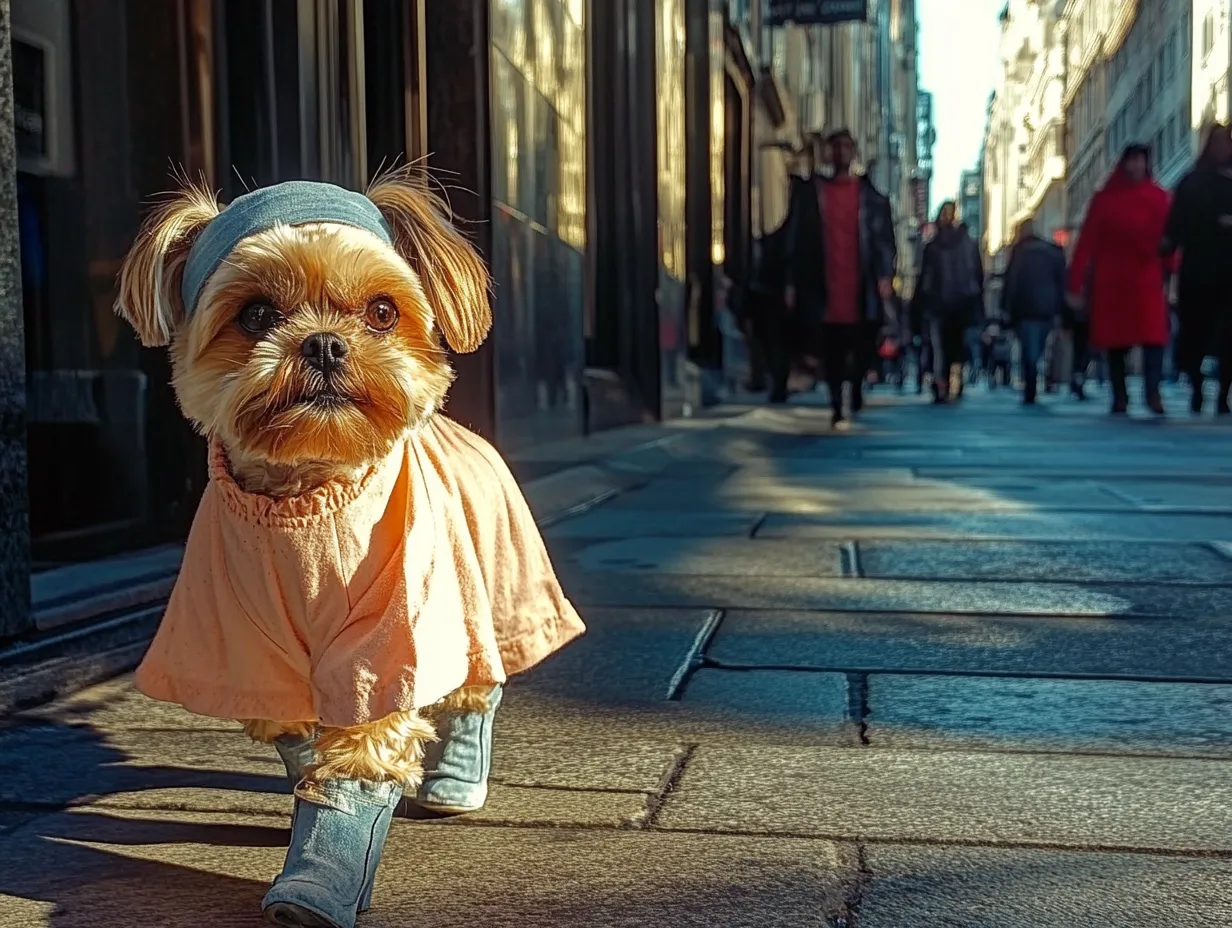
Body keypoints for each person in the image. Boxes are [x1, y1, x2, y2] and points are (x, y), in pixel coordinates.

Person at [783, 128, 897, 428]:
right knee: (831, 349)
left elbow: (885, 241)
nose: (841, 152)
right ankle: (837, 403)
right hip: (825, 286)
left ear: (854, 152)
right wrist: (792, 282)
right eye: (836, 147)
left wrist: (885, 276)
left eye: (846, 146)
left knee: (862, 345)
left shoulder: (872, 198)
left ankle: (856, 387)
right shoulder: (811, 194)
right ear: (828, 152)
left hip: (860, 287)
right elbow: (795, 240)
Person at [1067, 143, 1175, 415]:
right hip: (1112, 281)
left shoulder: (1159, 197)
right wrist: (1075, 283)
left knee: (1154, 338)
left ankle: (1152, 392)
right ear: (1123, 164)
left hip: (1145, 278)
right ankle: (1120, 395)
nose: (1136, 166)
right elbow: (1086, 242)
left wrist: (1173, 268)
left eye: (1141, 161)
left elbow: (1170, 238)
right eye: (1132, 160)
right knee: (1116, 342)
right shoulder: (1104, 200)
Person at [1161, 122, 1232, 414]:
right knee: (1195, 332)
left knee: (1228, 334)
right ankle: (1196, 386)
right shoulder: (1191, 182)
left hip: (1228, 271)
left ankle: (1223, 393)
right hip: (1198, 270)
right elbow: (1177, 225)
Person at [917, 202, 984, 403]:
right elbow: (978, 276)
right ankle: (957, 380)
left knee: (940, 345)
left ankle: (942, 382)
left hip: (939, 304)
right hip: (964, 303)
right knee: (958, 344)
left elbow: (925, 279)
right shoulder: (969, 244)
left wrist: (919, 305)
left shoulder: (933, 246)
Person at [1001, 218, 1066, 404]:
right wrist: (1061, 309)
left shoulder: (1019, 252)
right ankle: (1037, 378)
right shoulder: (1052, 251)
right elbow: (1061, 281)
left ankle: (1031, 382)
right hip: (1047, 308)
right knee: (1039, 346)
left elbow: (1010, 281)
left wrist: (1005, 308)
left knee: (1028, 347)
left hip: (1024, 308)